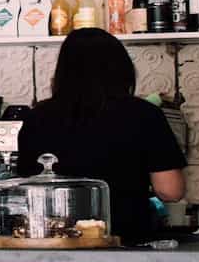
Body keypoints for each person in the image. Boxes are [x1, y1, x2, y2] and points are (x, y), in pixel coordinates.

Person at [17, 28, 186, 244]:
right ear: (123, 70)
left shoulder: (37, 117)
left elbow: (25, 191)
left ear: (63, 71)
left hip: (54, 244)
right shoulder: (144, 114)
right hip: (127, 243)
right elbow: (170, 191)